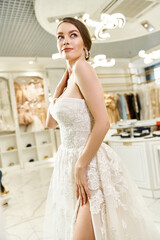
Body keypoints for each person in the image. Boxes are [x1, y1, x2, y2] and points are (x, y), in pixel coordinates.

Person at [43, 17, 160, 240]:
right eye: (60, 36)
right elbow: (49, 123)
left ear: (85, 45)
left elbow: (104, 122)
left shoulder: (83, 68)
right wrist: (59, 87)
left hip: (88, 164)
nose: (65, 40)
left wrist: (80, 165)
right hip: (69, 162)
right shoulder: (69, 78)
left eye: (72, 35)